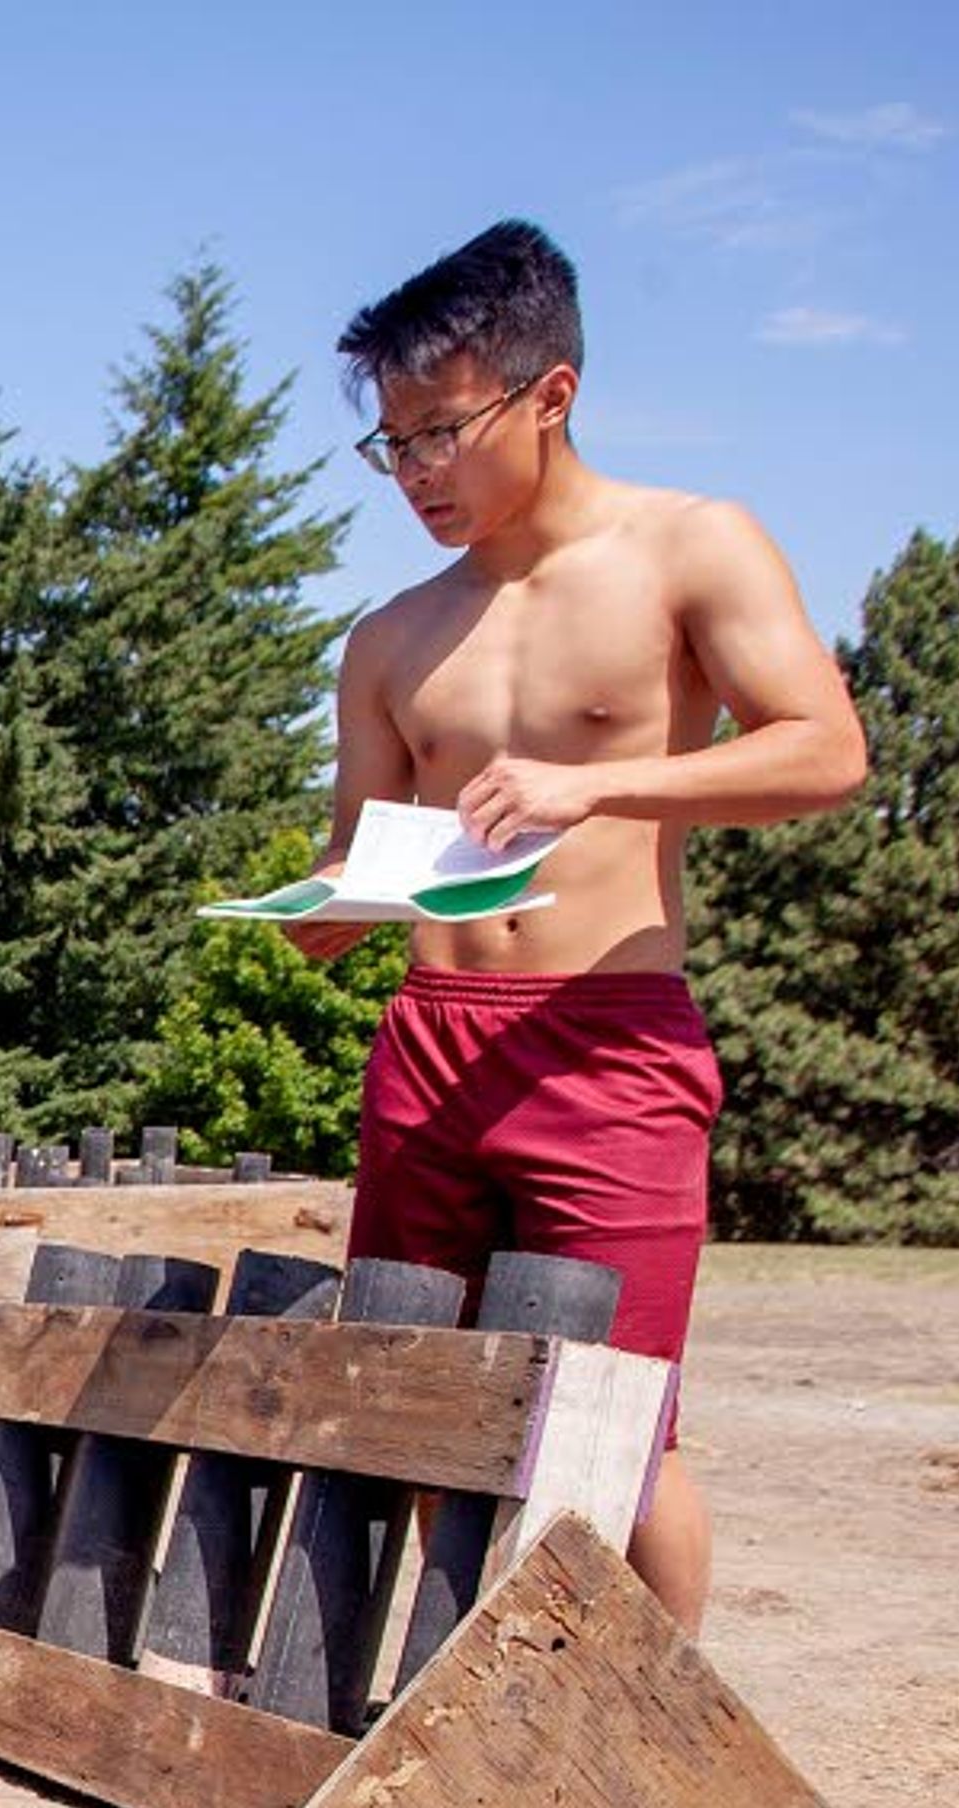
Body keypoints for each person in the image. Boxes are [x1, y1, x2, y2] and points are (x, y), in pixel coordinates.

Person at [303, 220, 864, 1634]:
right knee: (419, 1412)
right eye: (393, 443)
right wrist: (311, 915)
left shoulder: (692, 547)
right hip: (430, 1043)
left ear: (551, 394)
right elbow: (355, 866)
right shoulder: (388, 637)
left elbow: (826, 751)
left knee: (625, 1428)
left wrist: (600, 778)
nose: (417, 470)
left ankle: (666, 1754)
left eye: (441, 430)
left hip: (603, 1036)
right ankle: (434, 1719)